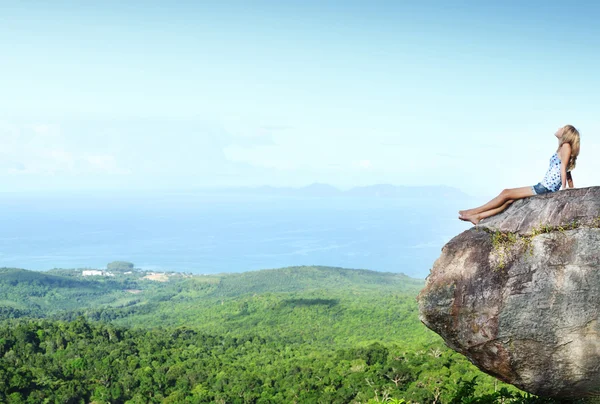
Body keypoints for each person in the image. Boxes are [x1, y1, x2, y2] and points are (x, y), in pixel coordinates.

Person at [459, 125, 580, 225]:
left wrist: (564, 190)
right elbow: (567, 170)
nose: (559, 128)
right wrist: (571, 187)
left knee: (505, 193)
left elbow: (564, 168)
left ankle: (472, 212)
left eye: (562, 127)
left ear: (566, 133)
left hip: (545, 187)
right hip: (544, 186)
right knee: (509, 200)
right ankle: (478, 216)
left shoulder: (566, 146)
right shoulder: (563, 147)